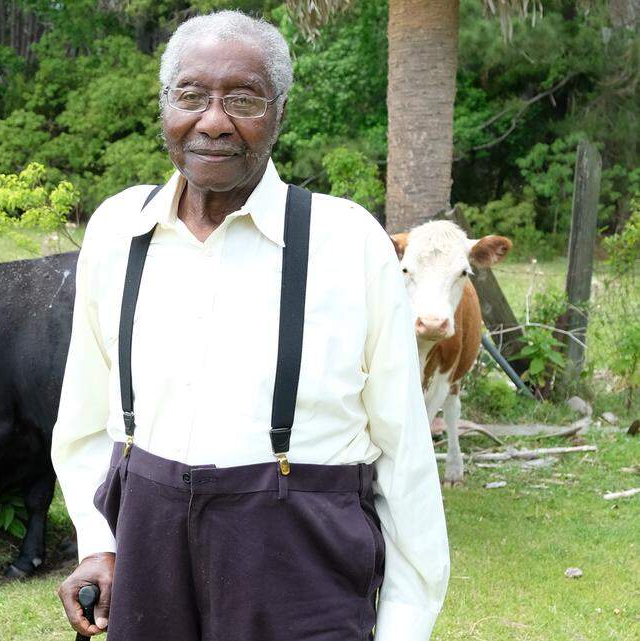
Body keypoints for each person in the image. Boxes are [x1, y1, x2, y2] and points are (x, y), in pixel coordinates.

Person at [51, 10, 450, 641]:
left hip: (300, 563)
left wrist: (403, 623)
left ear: (279, 112)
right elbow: (82, 424)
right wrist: (100, 542)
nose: (212, 120)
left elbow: (404, 455)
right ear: (164, 107)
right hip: (149, 558)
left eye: (242, 99)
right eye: (191, 97)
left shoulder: (348, 243)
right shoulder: (117, 231)